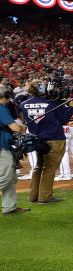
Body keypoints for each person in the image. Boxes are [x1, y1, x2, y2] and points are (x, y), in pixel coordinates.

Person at [19, 82, 71, 203]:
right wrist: (69, 104)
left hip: (37, 139)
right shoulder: (52, 104)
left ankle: (33, 195)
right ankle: (45, 196)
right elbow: (64, 119)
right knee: (49, 168)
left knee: (38, 167)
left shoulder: (23, 104)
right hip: (54, 138)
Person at [1, 84, 28, 215]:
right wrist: (22, 127)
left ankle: (9, 207)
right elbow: (15, 128)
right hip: (2, 148)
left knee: (11, 178)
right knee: (5, 177)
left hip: (5, 145)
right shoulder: (1, 108)